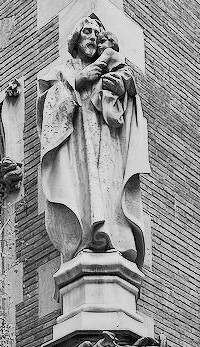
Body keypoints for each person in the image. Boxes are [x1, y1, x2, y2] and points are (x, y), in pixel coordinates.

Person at [37, 14, 149, 266]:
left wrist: (119, 88)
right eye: (86, 32)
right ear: (76, 39)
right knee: (85, 188)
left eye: (96, 33)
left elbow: (127, 94)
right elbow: (48, 104)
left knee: (109, 184)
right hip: (78, 146)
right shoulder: (64, 70)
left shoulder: (107, 66)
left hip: (108, 141)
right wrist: (77, 81)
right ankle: (85, 237)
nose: (92, 37)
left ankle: (115, 237)